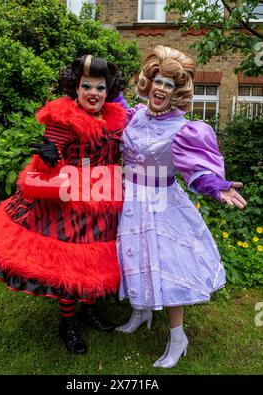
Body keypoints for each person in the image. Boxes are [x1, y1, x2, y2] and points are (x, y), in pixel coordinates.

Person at [0, 54, 127, 355]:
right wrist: (48, 157)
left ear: (108, 91)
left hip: (106, 199)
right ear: (76, 89)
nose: (93, 93)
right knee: (71, 265)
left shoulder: (115, 120)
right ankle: (67, 323)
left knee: (96, 260)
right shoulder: (63, 121)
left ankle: (89, 310)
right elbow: (42, 169)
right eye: (86, 86)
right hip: (72, 203)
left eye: (100, 87)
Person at [115, 46, 247, 368]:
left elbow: (196, 169)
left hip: (162, 206)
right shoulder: (133, 116)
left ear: (176, 92)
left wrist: (217, 187)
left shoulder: (182, 129)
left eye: (169, 85)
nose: (161, 88)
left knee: (168, 269)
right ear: (149, 83)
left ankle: (178, 337)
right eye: (158, 81)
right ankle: (140, 312)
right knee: (132, 257)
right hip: (129, 200)